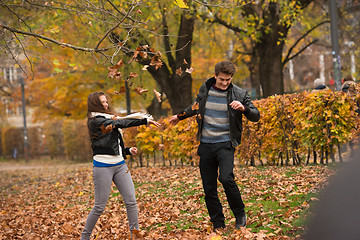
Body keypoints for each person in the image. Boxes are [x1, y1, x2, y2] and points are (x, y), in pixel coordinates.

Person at [169, 60, 260, 230]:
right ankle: (218, 223)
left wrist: (243, 109)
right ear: (215, 76)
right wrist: (179, 116)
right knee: (209, 188)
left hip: (225, 143)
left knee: (226, 178)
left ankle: (240, 214)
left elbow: (256, 115)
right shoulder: (205, 89)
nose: (225, 83)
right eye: (222, 80)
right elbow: (195, 107)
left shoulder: (239, 94)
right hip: (206, 144)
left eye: (228, 80)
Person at [81, 91, 160, 240]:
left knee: (131, 201)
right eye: (102, 102)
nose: (106, 104)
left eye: (106, 101)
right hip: (103, 166)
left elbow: (112, 144)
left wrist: (127, 151)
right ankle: (84, 237)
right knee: (99, 206)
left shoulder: (108, 118)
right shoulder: (96, 121)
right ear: (95, 104)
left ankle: (135, 235)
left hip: (120, 165)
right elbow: (119, 123)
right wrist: (143, 120)